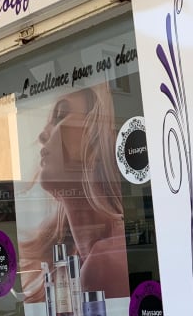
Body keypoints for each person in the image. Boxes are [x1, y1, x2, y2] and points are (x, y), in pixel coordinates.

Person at [20, 81, 129, 302]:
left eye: (61, 116)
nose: (42, 135)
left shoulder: (103, 262)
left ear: (94, 136)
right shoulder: (77, 260)